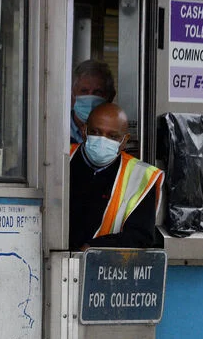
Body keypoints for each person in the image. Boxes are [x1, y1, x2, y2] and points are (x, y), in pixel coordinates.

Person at [69, 102, 164, 251]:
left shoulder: (140, 176)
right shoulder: (61, 160)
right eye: (95, 132)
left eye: (112, 136)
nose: (102, 140)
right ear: (84, 131)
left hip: (103, 267)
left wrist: (92, 248)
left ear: (124, 141)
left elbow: (140, 237)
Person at [70, 59, 116, 144]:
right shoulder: (57, 129)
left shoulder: (116, 134)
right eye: (84, 91)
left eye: (97, 92)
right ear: (73, 94)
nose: (90, 97)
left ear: (109, 97)